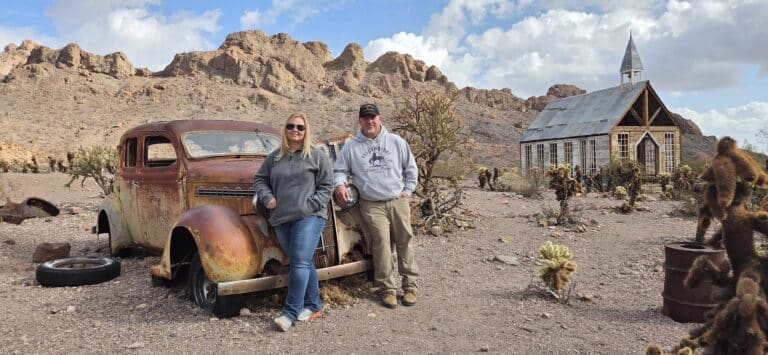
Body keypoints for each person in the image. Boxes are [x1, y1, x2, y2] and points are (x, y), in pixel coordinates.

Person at [333, 103, 420, 309]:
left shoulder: (396, 142)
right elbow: (340, 170)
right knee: (381, 242)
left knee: (404, 240)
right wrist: (340, 185)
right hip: (371, 203)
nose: (369, 121)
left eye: (373, 117)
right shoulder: (352, 147)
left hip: (397, 200)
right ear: (360, 121)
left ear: (380, 119)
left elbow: (411, 168)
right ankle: (387, 288)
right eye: (365, 118)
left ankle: (410, 286)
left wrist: (407, 191)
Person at [253, 112, 333, 332]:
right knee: (304, 261)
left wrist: (310, 205)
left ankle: (289, 312)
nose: (295, 131)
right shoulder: (275, 157)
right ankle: (314, 305)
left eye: (300, 127)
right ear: (285, 129)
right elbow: (259, 179)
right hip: (281, 218)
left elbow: (327, 186)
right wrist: (267, 197)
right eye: (291, 126)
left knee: (298, 262)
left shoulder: (316, 156)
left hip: (309, 217)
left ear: (306, 131)